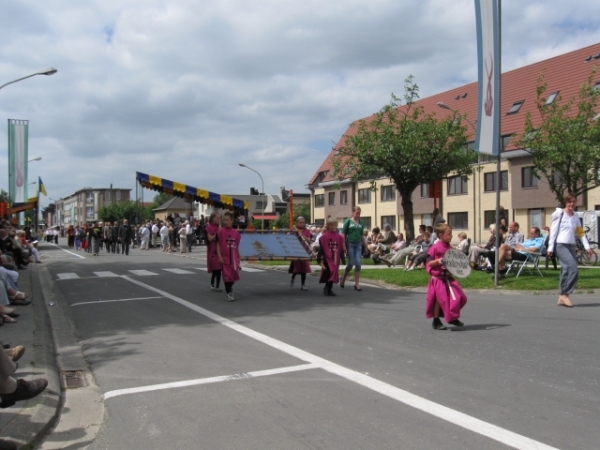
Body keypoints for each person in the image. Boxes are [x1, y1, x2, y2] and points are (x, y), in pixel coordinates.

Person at [548, 194, 592, 307]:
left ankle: (561, 295)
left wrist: (587, 247)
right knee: (573, 269)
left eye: (573, 202)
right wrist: (550, 247)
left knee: (566, 270)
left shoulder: (575, 216)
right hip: (561, 245)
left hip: (571, 246)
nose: (572, 204)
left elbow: (580, 233)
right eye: (569, 202)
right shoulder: (560, 213)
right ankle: (565, 294)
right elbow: (553, 231)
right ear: (566, 202)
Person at [426, 223, 468, 330]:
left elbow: (455, 262)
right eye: (449, 234)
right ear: (440, 235)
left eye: (451, 234)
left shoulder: (451, 248)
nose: (451, 236)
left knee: (460, 297)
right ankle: (436, 321)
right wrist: (438, 261)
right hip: (438, 279)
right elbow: (429, 263)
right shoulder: (435, 248)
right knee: (441, 300)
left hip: (448, 278)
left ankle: (452, 317)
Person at [216, 212, 241, 302]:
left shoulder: (236, 234)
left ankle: (230, 287)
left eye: (227, 220)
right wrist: (219, 256)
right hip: (225, 257)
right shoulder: (220, 232)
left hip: (233, 258)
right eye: (224, 220)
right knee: (227, 276)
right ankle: (229, 293)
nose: (225, 221)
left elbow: (237, 246)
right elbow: (218, 244)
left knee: (234, 275)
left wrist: (238, 258)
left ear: (232, 221)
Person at [317, 218, 345, 296]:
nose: (333, 226)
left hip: (336, 258)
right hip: (328, 257)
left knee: (334, 272)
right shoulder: (325, 236)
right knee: (330, 272)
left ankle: (330, 289)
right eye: (331, 225)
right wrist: (319, 256)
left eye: (334, 225)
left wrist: (342, 257)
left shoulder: (339, 237)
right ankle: (326, 287)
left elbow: (340, 248)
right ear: (328, 226)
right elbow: (322, 246)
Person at [340, 206, 366, 291]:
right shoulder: (348, 221)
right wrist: (343, 245)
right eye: (356, 213)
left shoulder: (361, 222)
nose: (358, 215)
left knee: (358, 263)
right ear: (353, 213)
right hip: (350, 243)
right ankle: (343, 278)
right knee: (351, 263)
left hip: (358, 244)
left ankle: (357, 284)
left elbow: (362, 235)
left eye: (359, 213)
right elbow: (343, 234)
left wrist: (365, 246)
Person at [289, 216, 312, 291]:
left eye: (303, 223)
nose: (302, 224)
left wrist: (302, 234)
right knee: (297, 268)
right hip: (296, 251)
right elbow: (289, 239)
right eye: (300, 223)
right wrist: (295, 232)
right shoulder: (294, 230)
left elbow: (308, 241)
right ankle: (293, 278)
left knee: (304, 268)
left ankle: (303, 284)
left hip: (304, 251)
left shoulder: (307, 231)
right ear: (297, 223)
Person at [206, 212, 222, 291]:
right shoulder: (209, 227)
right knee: (216, 268)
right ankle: (212, 282)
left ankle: (218, 286)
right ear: (213, 218)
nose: (219, 220)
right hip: (212, 249)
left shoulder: (220, 227)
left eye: (219, 218)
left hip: (219, 248)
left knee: (219, 269)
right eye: (217, 218)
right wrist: (217, 234)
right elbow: (210, 238)